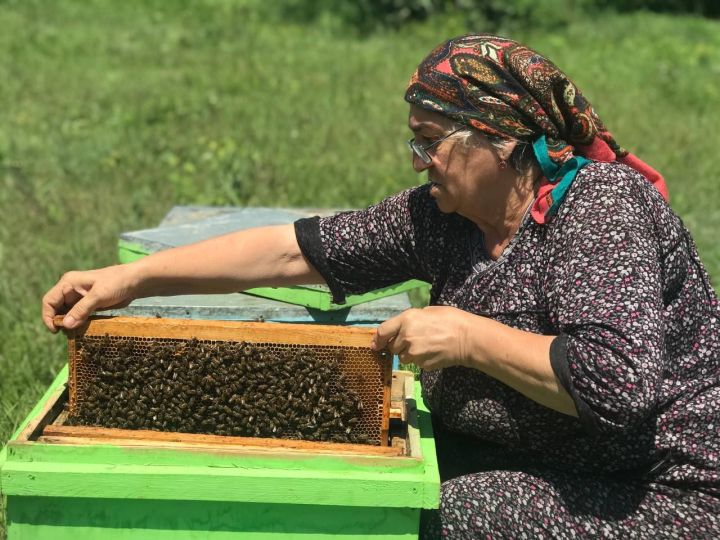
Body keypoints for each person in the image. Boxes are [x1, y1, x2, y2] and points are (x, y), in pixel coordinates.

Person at [42, 34, 719, 538]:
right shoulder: (442, 217)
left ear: (501, 139)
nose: (419, 161)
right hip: (526, 456)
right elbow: (294, 251)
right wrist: (131, 280)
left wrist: (465, 336)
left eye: (430, 142)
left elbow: (618, 386)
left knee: (421, 519)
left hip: (651, 490)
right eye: (412, 143)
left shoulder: (600, 207)